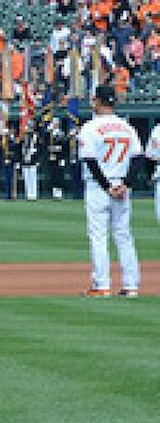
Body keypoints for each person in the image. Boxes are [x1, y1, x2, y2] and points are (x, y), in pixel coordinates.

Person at [79, 85, 140, 298]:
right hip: (121, 185)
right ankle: (131, 285)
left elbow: (90, 160)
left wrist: (107, 187)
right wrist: (126, 184)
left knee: (98, 236)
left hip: (99, 187)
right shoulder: (127, 127)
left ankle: (102, 284)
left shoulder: (90, 128)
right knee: (123, 235)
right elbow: (137, 159)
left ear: (97, 101)